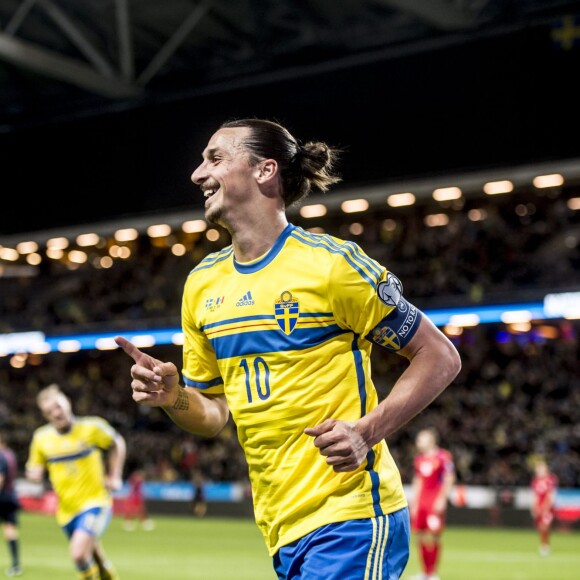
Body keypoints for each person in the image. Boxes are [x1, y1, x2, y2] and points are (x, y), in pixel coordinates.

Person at [114, 117, 461, 579]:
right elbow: (214, 414)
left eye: (215, 158)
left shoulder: (331, 266)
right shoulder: (201, 285)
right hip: (281, 529)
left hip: (352, 517)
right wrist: (172, 396)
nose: (198, 174)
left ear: (265, 170)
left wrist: (366, 432)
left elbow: (439, 355)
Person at [25, 384, 126, 580]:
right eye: (49, 411)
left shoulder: (91, 427)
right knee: (94, 557)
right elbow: (33, 468)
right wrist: (33, 475)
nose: (56, 413)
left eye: (58, 407)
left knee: (78, 554)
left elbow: (117, 442)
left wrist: (115, 475)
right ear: (44, 415)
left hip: (95, 502)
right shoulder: (41, 438)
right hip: (66, 511)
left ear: (67, 403)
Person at [409, 428, 456, 580]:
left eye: (421, 439)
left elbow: (449, 478)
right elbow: (418, 481)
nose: (418, 443)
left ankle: (433, 573)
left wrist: (442, 499)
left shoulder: (443, 457)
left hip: (434, 500)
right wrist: (414, 502)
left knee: (433, 536)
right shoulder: (419, 459)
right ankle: (424, 572)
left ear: (431, 440)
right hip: (422, 501)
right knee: (419, 535)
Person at [0, 433, 22, 577]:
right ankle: (16, 564)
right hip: (11, 496)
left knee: (9, 529)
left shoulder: (0, 456)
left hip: (1, 496)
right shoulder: (11, 455)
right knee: (10, 529)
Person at [530, 458, 558, 557]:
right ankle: (544, 545)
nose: (538, 471)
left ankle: (545, 546)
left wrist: (545, 507)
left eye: (541, 469)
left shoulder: (551, 479)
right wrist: (534, 507)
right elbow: (535, 496)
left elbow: (550, 495)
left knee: (544, 526)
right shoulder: (535, 481)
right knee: (540, 528)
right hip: (538, 507)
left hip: (547, 508)